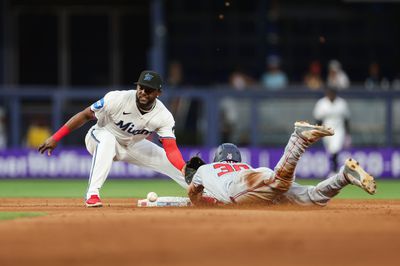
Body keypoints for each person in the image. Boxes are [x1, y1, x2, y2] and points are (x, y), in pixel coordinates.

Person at [38, 70, 188, 207]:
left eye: (148, 89)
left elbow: (171, 149)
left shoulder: (163, 116)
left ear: (158, 93)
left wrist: (183, 167)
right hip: (99, 135)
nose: (142, 92)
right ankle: (92, 194)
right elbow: (85, 115)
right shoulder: (117, 98)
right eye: (140, 87)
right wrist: (56, 137)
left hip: (131, 144)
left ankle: (201, 193)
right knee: (108, 139)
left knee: (165, 158)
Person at [187, 121, 376, 206]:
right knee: (312, 198)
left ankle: (298, 139)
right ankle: (344, 176)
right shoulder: (243, 166)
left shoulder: (204, 169)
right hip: (257, 178)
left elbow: (193, 196)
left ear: (217, 159)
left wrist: (206, 201)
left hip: (238, 187)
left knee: (281, 182)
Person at [313, 87, 351, 174]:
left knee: (335, 149)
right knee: (330, 151)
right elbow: (318, 120)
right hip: (326, 130)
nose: (330, 95)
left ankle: (334, 170)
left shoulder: (342, 103)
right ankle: (333, 169)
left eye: (332, 93)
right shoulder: (321, 103)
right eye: (329, 93)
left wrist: (348, 134)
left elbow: (346, 120)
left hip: (338, 130)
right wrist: (317, 133)